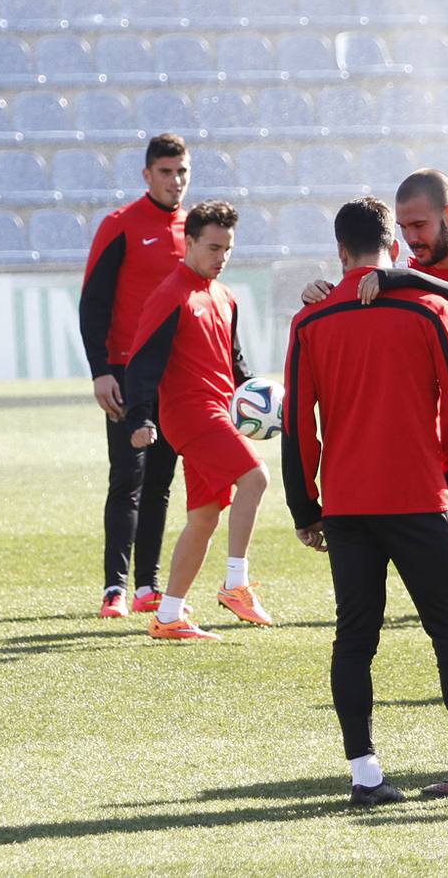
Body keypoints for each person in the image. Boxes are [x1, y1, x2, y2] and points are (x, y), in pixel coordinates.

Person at [284, 196, 448, 806]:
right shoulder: (429, 310)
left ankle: (366, 778)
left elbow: (299, 425)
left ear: (341, 251)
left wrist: (305, 507)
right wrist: (445, 481)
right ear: (391, 246)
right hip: (420, 497)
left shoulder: (311, 320)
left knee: (354, 639)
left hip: (346, 505)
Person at [121, 201, 273, 640]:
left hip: (218, 410)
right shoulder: (170, 294)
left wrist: (262, 399)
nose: (221, 256)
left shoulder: (225, 296)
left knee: (204, 517)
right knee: (256, 478)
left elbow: (235, 364)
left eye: (227, 248)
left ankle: (168, 615)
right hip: (191, 414)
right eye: (212, 247)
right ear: (187, 243)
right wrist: (140, 418)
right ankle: (235, 583)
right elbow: (143, 363)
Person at [80, 134, 190, 618]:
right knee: (128, 476)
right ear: (147, 175)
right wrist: (101, 371)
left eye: (182, 171)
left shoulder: (196, 227)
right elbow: (94, 302)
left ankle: (149, 584)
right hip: (126, 369)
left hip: (175, 373)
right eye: (166, 172)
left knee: (162, 480)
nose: (175, 181)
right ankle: (115, 588)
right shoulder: (121, 225)